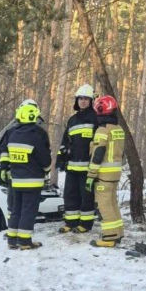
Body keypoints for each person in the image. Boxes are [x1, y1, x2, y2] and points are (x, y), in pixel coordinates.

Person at [0, 102, 52, 250]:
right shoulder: (37, 134)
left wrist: (4, 169)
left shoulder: (13, 134)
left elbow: (5, 153)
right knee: (28, 211)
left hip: (16, 181)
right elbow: (45, 159)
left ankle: (12, 240)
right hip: (33, 181)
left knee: (16, 210)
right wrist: (47, 169)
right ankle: (25, 241)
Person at [56, 84, 98, 233]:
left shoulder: (95, 118)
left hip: (88, 167)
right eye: (80, 98)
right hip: (72, 166)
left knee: (86, 196)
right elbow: (65, 141)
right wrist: (60, 158)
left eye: (86, 99)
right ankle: (70, 222)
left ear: (91, 101)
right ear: (76, 100)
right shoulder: (72, 120)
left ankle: (85, 224)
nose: (83, 101)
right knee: (70, 195)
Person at [87, 95, 126, 248]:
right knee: (112, 203)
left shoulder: (102, 130)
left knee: (103, 205)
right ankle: (118, 232)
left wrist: (91, 176)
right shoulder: (118, 129)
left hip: (104, 174)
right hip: (115, 174)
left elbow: (97, 154)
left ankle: (109, 237)